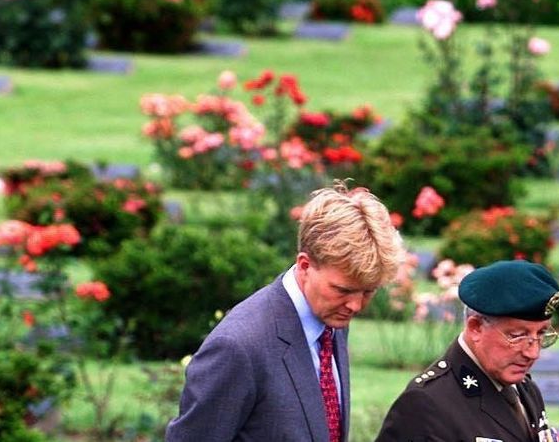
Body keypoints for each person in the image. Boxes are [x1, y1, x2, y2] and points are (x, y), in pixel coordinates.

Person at [166, 182, 405, 442]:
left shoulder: (331, 321)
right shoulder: (238, 347)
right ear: (304, 265)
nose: (356, 306)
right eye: (343, 290)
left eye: (368, 292)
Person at [376, 260, 559, 442]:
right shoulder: (427, 403)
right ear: (476, 328)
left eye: (541, 334)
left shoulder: (525, 389)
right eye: (517, 336)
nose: (533, 353)